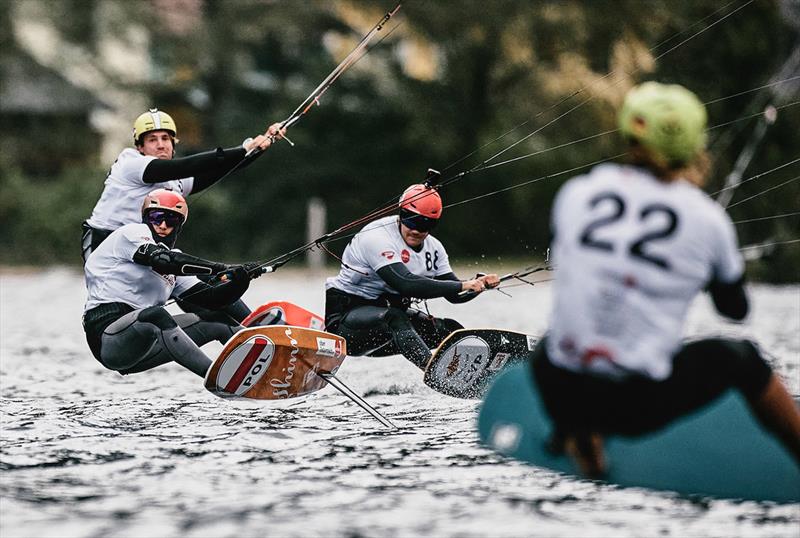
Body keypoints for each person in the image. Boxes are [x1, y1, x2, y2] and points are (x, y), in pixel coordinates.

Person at [531, 81, 800, 476]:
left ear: (629, 136)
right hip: (637, 404)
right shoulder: (707, 219)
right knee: (743, 357)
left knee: (559, 341)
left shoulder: (577, 192)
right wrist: (705, 274)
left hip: (559, 388)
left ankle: (583, 441)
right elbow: (735, 310)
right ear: (692, 147)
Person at [80, 109, 284, 322]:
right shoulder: (130, 164)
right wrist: (243, 148)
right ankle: (256, 328)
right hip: (107, 248)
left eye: (166, 138)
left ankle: (254, 331)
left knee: (204, 294)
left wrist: (261, 145)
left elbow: (221, 169)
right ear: (140, 147)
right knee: (188, 287)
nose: (161, 144)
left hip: (148, 251)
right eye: (152, 139)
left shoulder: (174, 181)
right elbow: (187, 165)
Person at [82, 188, 262, 377]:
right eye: (157, 217)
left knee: (220, 321)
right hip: (107, 337)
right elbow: (163, 260)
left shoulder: (176, 262)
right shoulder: (131, 233)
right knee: (156, 315)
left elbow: (213, 299)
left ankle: (266, 367)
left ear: (179, 226)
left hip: (146, 347)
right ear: (146, 217)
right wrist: (222, 268)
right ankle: (219, 378)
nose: (163, 225)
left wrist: (241, 280)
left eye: (172, 220)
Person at [324, 184, 500, 370]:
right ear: (401, 214)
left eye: (426, 225)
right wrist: (464, 285)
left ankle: (481, 372)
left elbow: (455, 295)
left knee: (451, 330)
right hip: (348, 326)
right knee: (395, 317)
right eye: (411, 221)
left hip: (389, 329)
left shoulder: (435, 248)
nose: (416, 230)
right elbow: (405, 283)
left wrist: (479, 285)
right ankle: (434, 371)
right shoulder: (376, 237)